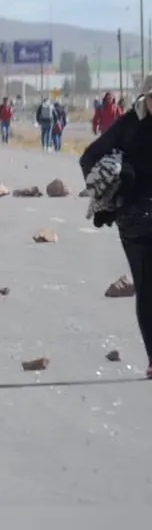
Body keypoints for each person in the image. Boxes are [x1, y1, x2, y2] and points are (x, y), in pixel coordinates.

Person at [80, 81, 152, 379]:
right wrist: (111, 192)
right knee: (147, 288)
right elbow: (89, 157)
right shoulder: (128, 125)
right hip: (135, 218)